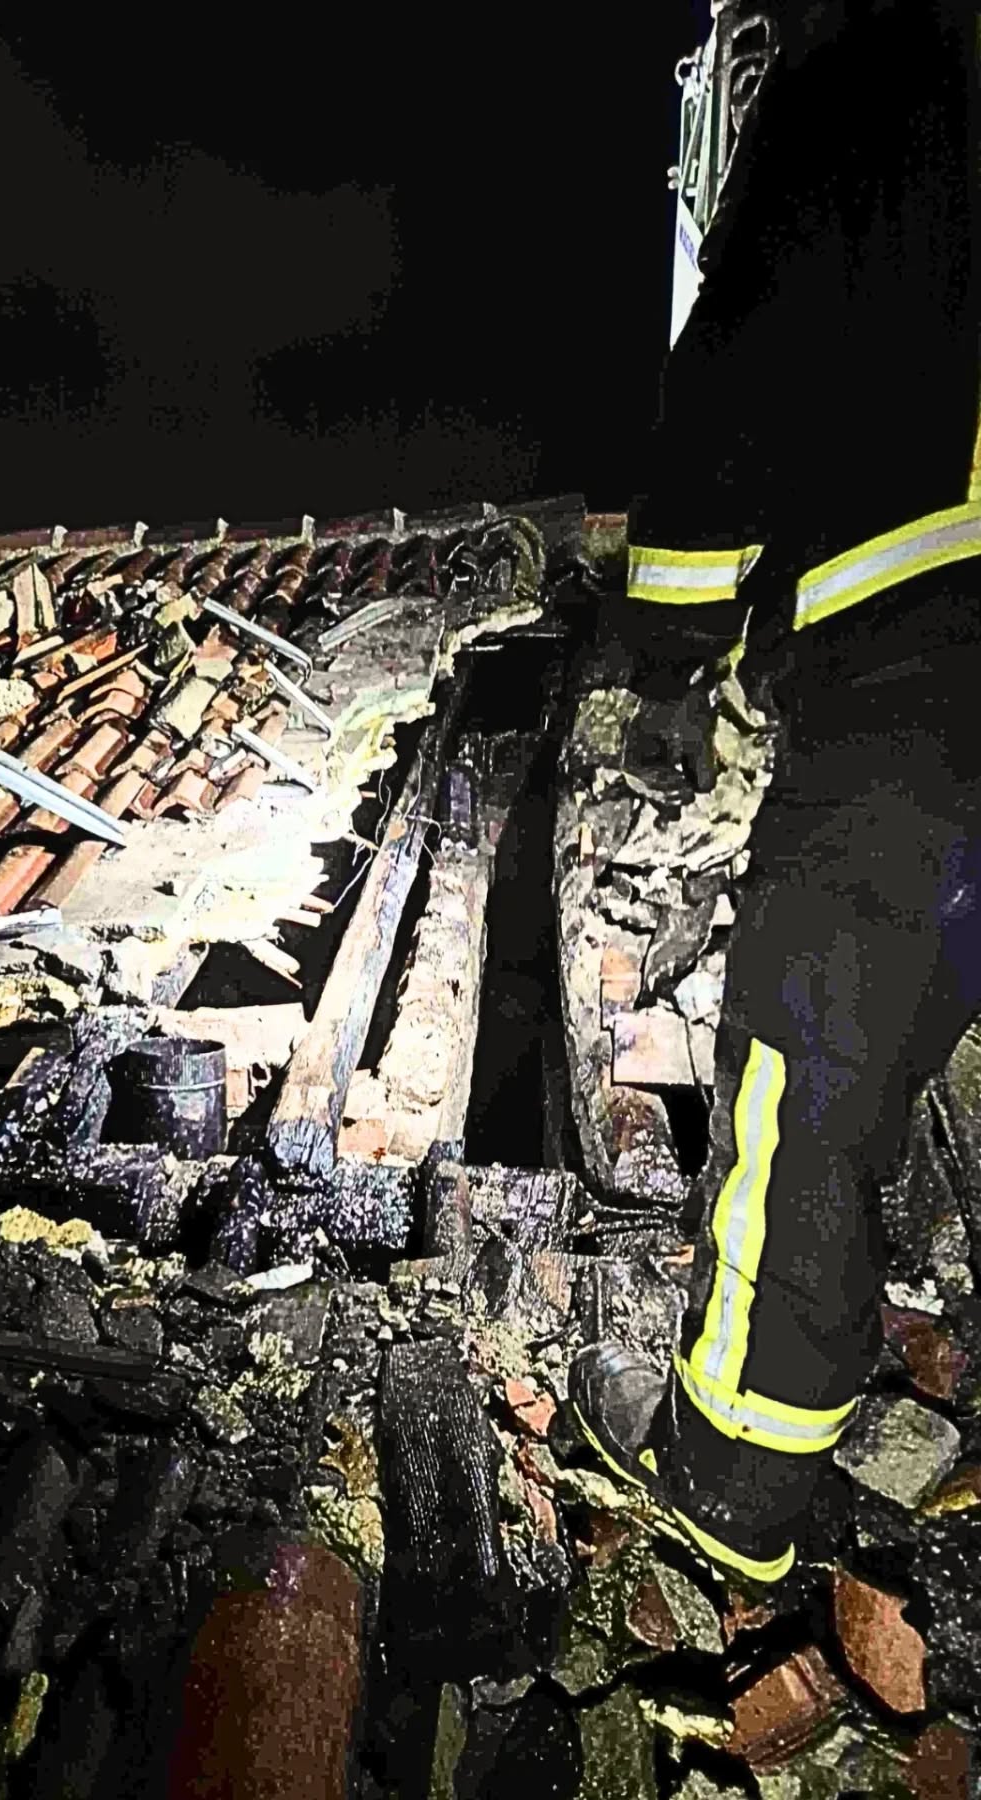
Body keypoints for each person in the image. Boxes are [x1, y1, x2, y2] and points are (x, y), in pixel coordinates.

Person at [567, 0, 981, 1586]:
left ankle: (734, 1473)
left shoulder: (864, 83)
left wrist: (671, 657)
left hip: (917, 666)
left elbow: (733, 374)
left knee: (812, 1064)